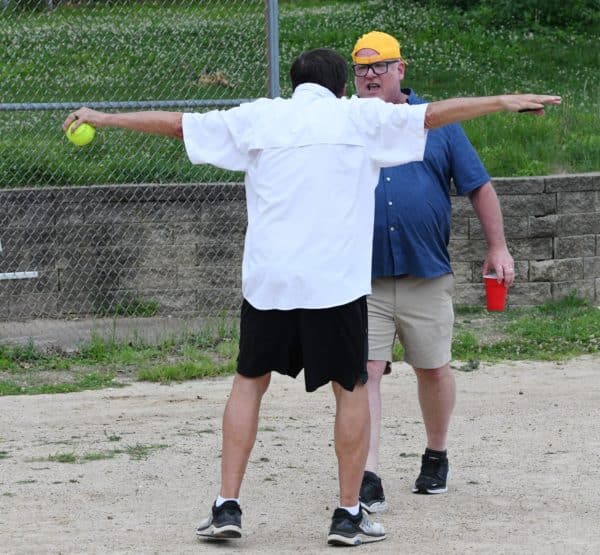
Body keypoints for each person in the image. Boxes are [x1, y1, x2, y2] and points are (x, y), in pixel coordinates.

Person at [63, 47, 560, 547]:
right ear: (342, 87)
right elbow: (432, 115)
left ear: (294, 84)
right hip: (334, 286)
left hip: (270, 284)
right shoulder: (357, 117)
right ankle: (348, 514)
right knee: (351, 389)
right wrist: (501, 100)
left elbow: (177, 124)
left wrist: (103, 118)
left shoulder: (261, 116)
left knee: (248, 384)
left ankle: (226, 506)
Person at [350, 31, 517, 512]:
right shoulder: (346, 121)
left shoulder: (437, 123)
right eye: (362, 68)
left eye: (380, 66)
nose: (370, 75)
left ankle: (436, 454)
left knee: (433, 368)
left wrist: (498, 247)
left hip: (425, 271)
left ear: (400, 69)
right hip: (362, 276)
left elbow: (478, 185)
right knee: (365, 373)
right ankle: (368, 472)